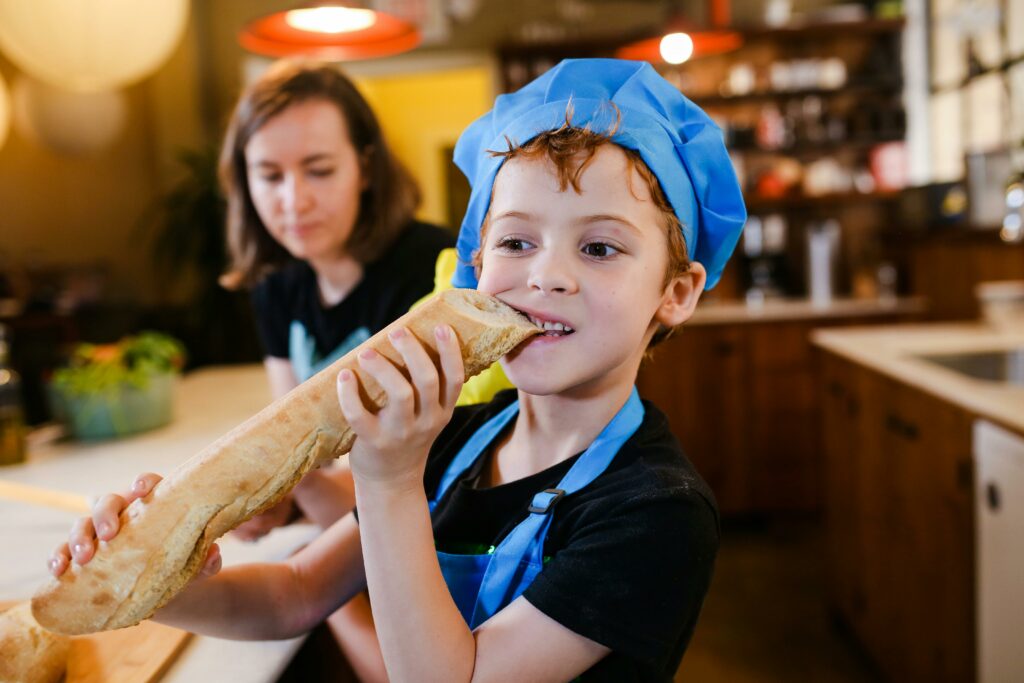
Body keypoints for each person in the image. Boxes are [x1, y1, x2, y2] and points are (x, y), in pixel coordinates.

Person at [50, 59, 746, 681]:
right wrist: (156, 579)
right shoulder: (456, 437)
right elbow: (294, 592)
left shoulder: (657, 512)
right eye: (515, 240)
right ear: (475, 264)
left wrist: (388, 478)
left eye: (598, 247)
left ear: (676, 291)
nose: (545, 275)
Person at [218, 60, 453, 680]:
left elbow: (438, 485)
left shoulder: (432, 268)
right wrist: (275, 501)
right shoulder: (276, 289)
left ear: (367, 167)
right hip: (351, 537)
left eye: (318, 169)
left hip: (435, 547)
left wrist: (295, 488)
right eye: (268, 175)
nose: (293, 200)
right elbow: (301, 456)